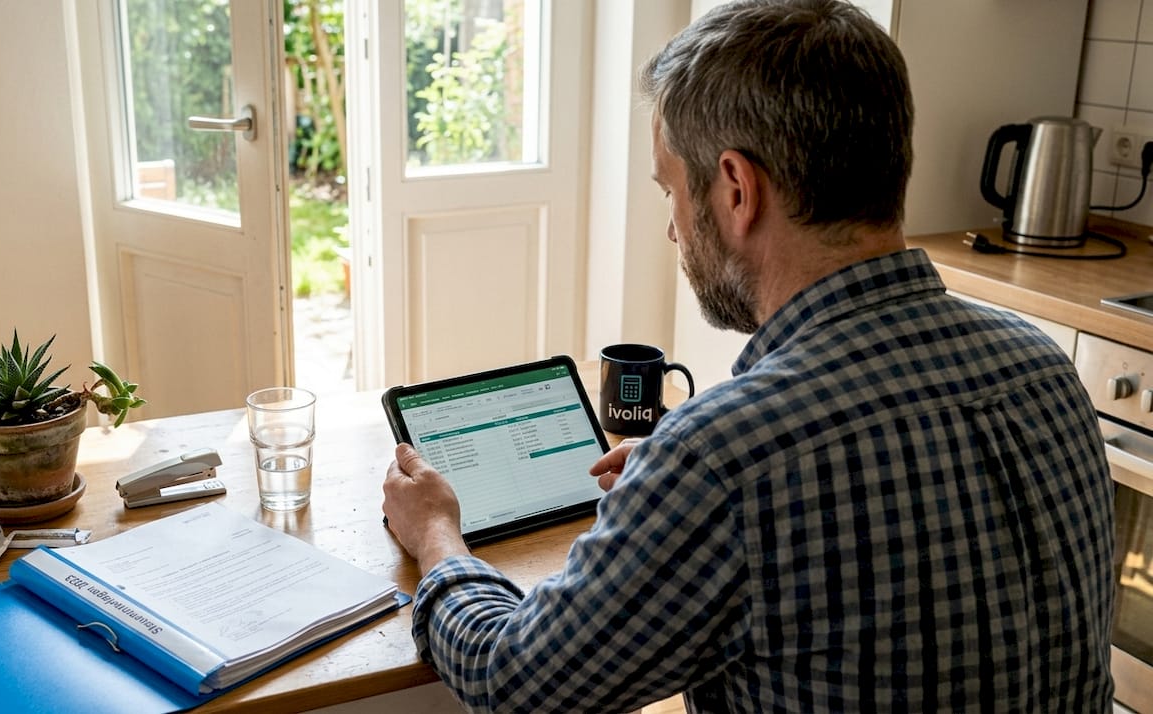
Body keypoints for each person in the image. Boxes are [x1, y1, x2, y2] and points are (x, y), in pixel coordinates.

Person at [381, 1, 1116, 711]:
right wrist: (681, 497)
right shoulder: (1044, 369)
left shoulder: (727, 458)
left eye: (670, 190)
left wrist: (438, 533)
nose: (672, 231)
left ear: (736, 188)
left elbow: (517, 681)